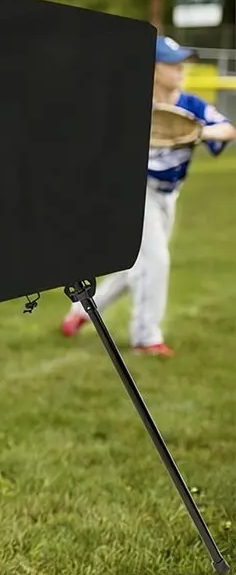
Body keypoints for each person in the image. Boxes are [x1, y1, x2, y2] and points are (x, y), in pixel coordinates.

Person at [60, 35, 236, 357]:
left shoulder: (190, 106)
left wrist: (199, 132)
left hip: (169, 195)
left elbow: (226, 129)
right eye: (172, 63)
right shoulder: (130, 106)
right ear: (152, 69)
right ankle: (146, 338)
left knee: (134, 269)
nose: (181, 69)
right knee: (155, 261)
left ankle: (81, 312)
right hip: (137, 194)